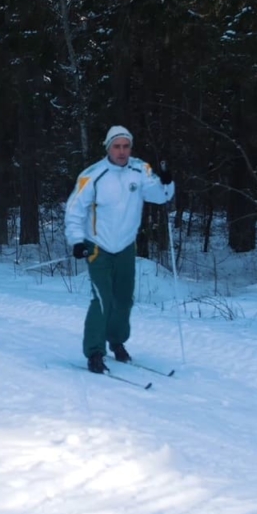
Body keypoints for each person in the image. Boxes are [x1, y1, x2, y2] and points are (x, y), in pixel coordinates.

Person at [64, 125, 175, 374]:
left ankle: (117, 342)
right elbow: (74, 210)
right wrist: (77, 241)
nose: (122, 151)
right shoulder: (93, 175)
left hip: (125, 246)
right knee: (102, 298)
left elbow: (160, 196)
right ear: (108, 148)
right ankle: (95, 352)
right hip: (98, 246)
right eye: (117, 146)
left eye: (126, 146)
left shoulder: (140, 170)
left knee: (124, 299)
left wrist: (167, 182)